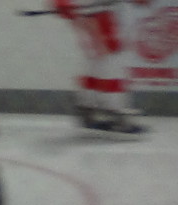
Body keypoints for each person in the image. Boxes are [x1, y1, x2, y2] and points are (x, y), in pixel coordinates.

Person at [50, 0, 150, 135]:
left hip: (87, 9)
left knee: (96, 57)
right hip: (96, 10)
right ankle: (114, 110)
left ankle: (88, 107)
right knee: (111, 56)